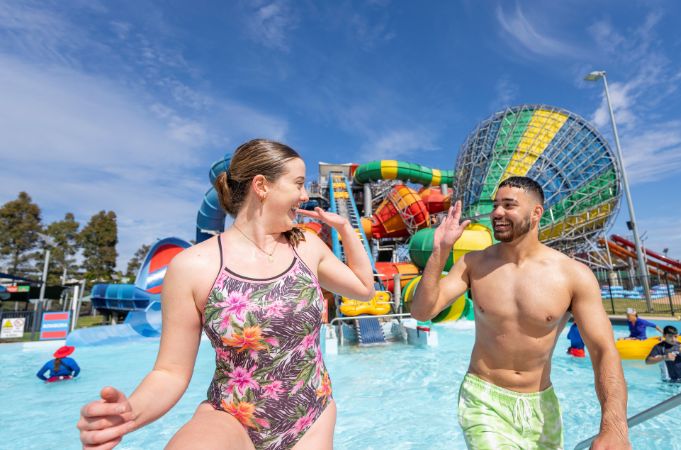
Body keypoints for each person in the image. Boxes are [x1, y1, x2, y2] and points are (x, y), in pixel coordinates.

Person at [77, 139, 375, 450]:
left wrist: (344, 228)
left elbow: (364, 289)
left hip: (311, 416)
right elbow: (170, 372)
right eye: (298, 183)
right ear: (261, 186)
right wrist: (129, 414)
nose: (304, 195)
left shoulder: (306, 247)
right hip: (233, 419)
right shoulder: (192, 267)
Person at [411, 177, 630, 450]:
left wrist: (614, 426)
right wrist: (440, 251)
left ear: (536, 213)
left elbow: (603, 350)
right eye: (495, 205)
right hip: (483, 398)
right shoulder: (474, 264)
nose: (497, 212)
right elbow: (422, 311)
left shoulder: (573, 275)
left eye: (508, 205)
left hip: (541, 404)